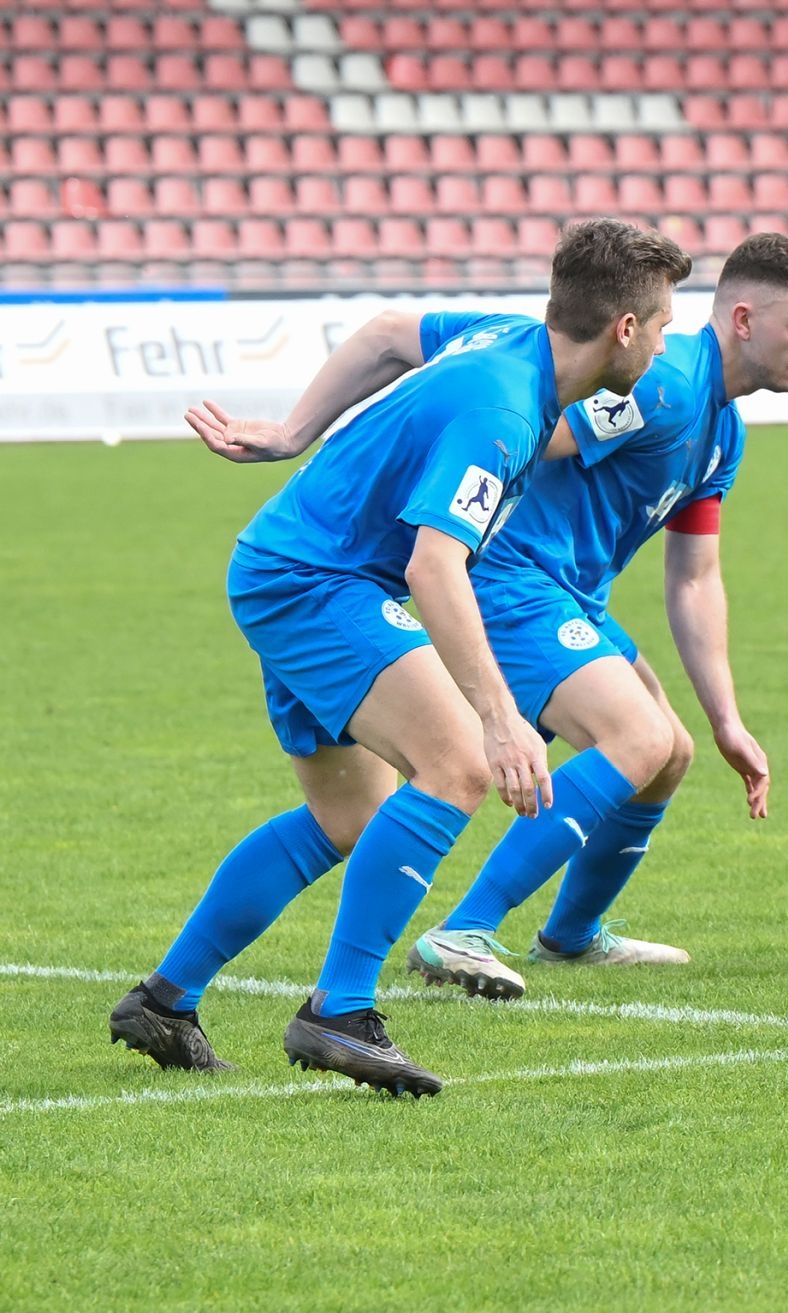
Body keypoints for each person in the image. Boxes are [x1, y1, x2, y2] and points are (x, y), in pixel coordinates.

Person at [108, 221, 693, 1096]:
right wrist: (500, 719)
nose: (665, 343)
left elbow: (387, 333)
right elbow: (434, 566)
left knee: (348, 816)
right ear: (625, 328)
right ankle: (339, 1011)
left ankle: (164, 1000)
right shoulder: (503, 411)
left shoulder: (508, 338)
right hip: (318, 581)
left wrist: (294, 432)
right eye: (663, 324)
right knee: (458, 762)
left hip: (291, 563)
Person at [406, 235, 788, 1000]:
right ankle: (463, 930)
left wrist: (728, 720)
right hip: (511, 580)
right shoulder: (663, 382)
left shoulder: (722, 431)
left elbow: (695, 578)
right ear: (744, 319)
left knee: (670, 753)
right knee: (636, 736)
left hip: (569, 597)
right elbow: (535, 430)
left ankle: (570, 937)